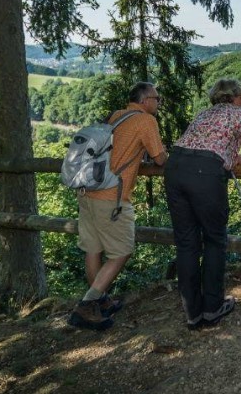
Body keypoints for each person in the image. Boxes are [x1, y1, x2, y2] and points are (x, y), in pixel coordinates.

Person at [164, 78, 241, 330]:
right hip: (205, 174)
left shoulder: (203, 114)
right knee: (214, 240)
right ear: (236, 96)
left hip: (174, 167)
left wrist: (224, 155)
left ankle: (192, 313)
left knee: (186, 243)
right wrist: (230, 157)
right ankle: (212, 308)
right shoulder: (240, 114)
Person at [68, 82, 167, 330]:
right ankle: (87, 304)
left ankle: (99, 302)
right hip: (112, 197)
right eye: (157, 99)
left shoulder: (117, 116)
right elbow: (159, 158)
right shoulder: (146, 121)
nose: (158, 103)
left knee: (93, 248)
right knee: (122, 251)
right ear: (145, 100)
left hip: (88, 191)